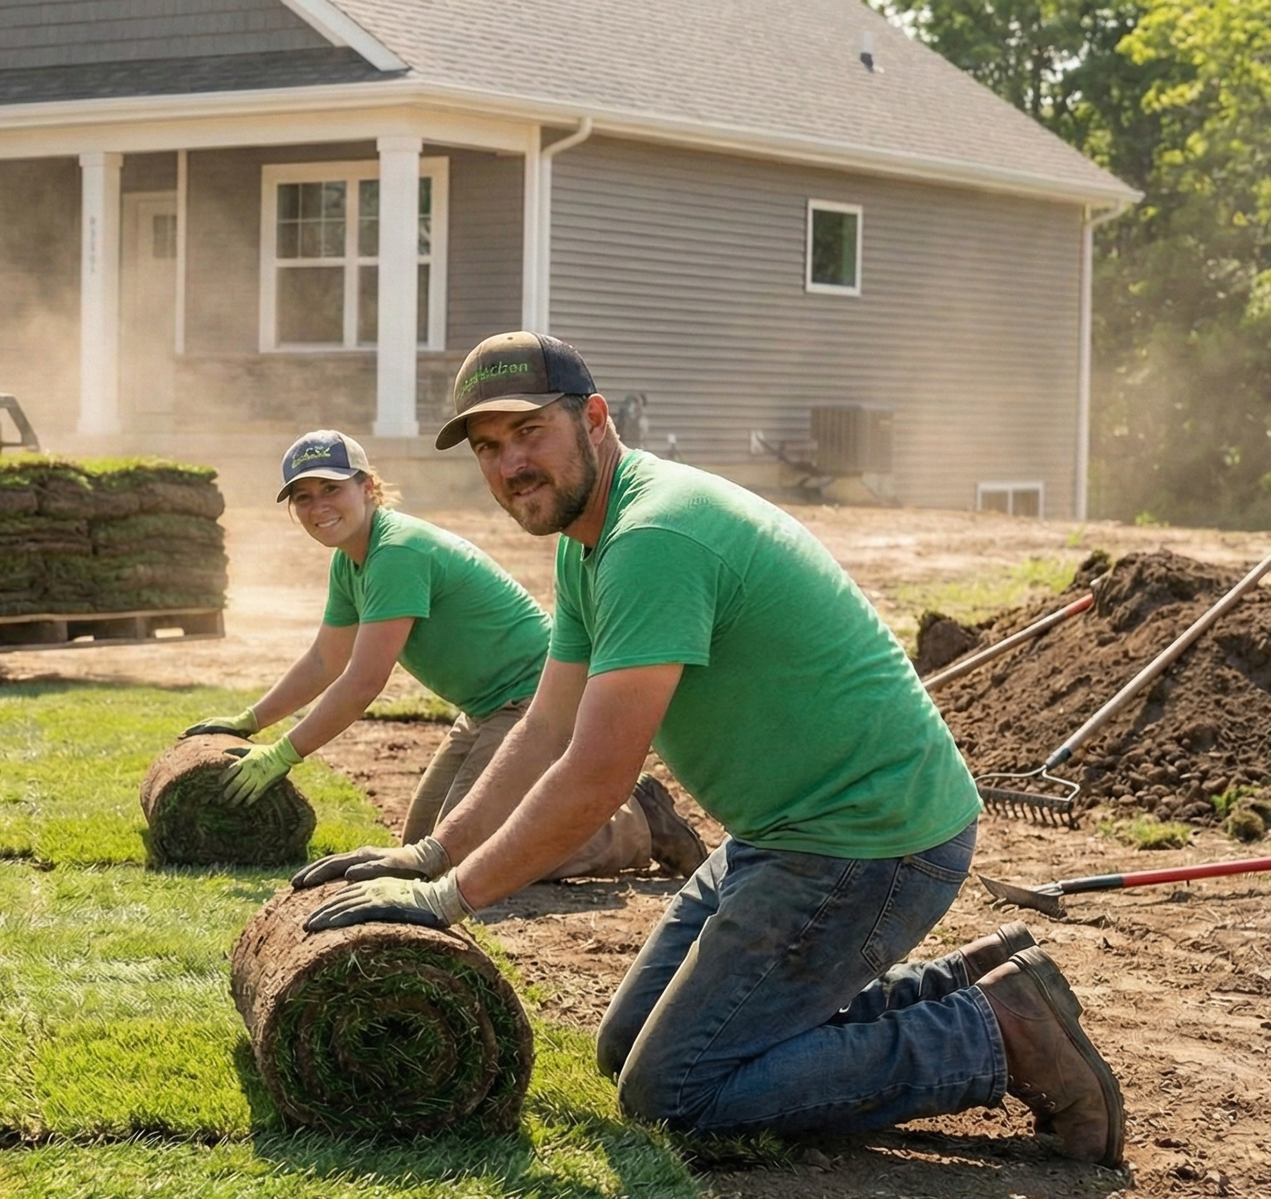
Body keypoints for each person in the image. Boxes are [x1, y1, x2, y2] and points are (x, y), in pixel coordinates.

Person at [301, 331, 1123, 1164]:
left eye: (529, 433)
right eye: (488, 447)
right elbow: (544, 726)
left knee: (678, 1093)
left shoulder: (653, 538)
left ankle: (994, 1036)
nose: (510, 464)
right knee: (628, 1051)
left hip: (871, 840)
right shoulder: (594, 542)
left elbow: (593, 775)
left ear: (593, 418)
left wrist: (447, 900)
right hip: (784, 836)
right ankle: (979, 984)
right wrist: (430, 853)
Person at [189, 430, 700, 882]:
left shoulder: (396, 552)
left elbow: (363, 682)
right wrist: (250, 722)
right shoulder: (352, 562)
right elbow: (325, 660)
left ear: (367, 487)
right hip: (484, 710)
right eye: (302, 497)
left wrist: (284, 755)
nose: (317, 506)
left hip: (532, 702)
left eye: (331, 489)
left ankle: (635, 826)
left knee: (462, 856)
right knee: (420, 846)